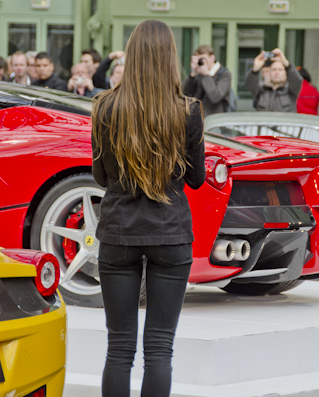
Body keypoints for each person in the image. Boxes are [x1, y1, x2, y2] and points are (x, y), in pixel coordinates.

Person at [92, 19, 205, 397]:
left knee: (119, 348)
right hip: (170, 234)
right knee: (160, 348)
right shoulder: (188, 111)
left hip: (119, 231)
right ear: (170, 58)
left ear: (132, 56)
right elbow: (196, 179)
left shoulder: (104, 107)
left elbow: (101, 176)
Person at [183, 45, 232, 116]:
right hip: (198, 119)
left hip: (215, 121)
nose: (201, 62)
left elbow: (216, 97)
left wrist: (206, 75)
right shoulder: (199, 74)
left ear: (212, 58)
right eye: (198, 60)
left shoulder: (224, 74)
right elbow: (185, 94)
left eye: (203, 59)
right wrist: (192, 74)